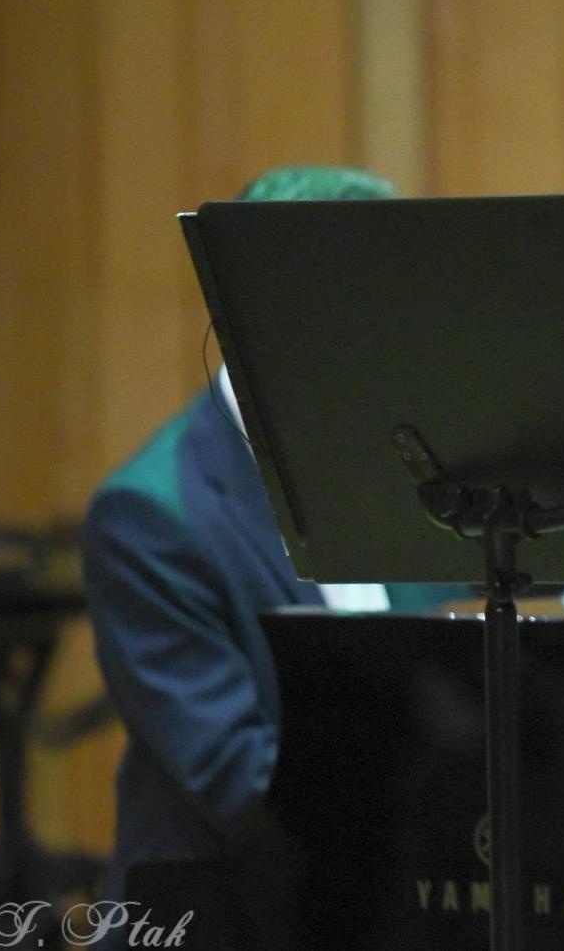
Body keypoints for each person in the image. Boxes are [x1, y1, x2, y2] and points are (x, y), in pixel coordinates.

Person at [81, 165, 468, 926]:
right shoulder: (150, 517)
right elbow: (241, 783)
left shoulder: (414, 461)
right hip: (229, 913)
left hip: (399, 885)